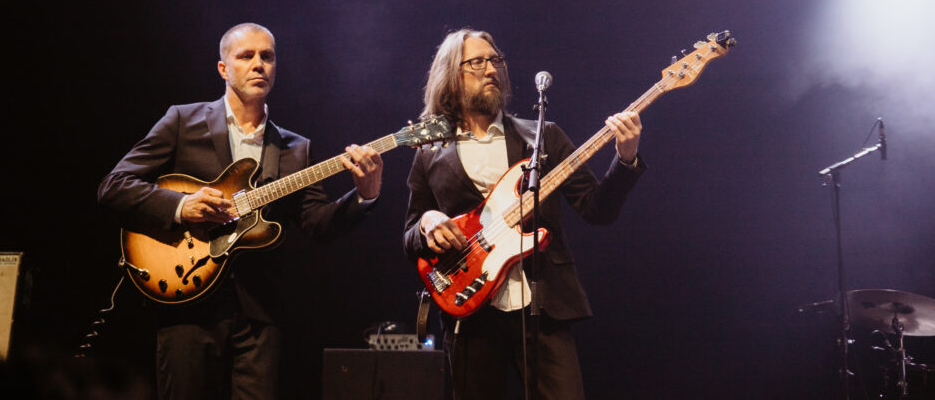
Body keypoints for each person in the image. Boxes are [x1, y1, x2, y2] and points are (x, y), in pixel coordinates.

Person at [98, 22, 383, 400]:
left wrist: (364, 195)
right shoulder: (183, 121)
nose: (258, 64)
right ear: (223, 68)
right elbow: (114, 185)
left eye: (267, 56)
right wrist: (183, 206)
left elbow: (317, 224)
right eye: (246, 56)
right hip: (187, 301)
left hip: (260, 314)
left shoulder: (296, 148)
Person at [402, 28, 645, 400]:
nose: (491, 69)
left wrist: (625, 158)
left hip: (542, 308)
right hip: (470, 313)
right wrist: (426, 223)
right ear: (452, 75)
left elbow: (597, 209)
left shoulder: (542, 137)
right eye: (477, 62)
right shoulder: (431, 151)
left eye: (496, 60)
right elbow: (410, 234)